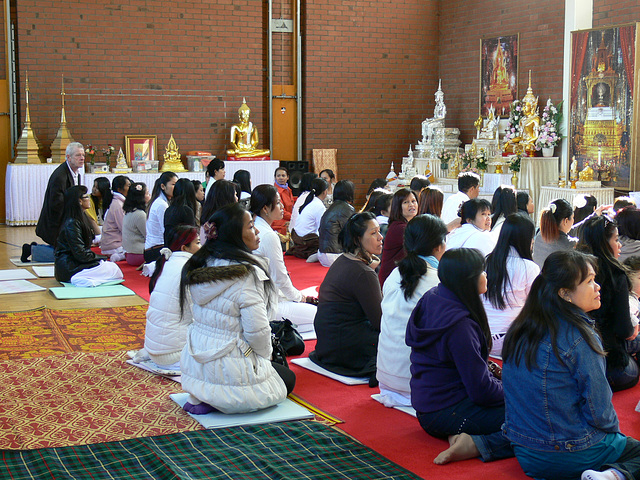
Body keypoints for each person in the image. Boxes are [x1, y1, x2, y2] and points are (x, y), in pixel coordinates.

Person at [437, 251, 640, 480]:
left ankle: (481, 444)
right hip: (569, 452)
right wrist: (615, 438)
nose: (598, 287)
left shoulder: (521, 327)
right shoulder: (580, 336)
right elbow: (599, 411)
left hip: (524, 452)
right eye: (589, 281)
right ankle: (613, 475)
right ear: (565, 294)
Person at [179, 202, 294, 414]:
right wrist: (265, 357)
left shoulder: (200, 264)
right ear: (234, 236)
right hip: (228, 368)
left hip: (195, 365)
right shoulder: (245, 275)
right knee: (288, 378)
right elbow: (258, 334)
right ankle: (217, 399)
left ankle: (206, 396)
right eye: (250, 226)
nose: (257, 230)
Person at [406, 248, 503, 440]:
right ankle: (475, 445)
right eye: (482, 271)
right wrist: (515, 390)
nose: (486, 275)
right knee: (532, 418)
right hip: (446, 411)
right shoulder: (460, 326)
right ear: (468, 279)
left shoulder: (433, 296)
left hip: (429, 406)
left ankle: (466, 438)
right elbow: (481, 392)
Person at [376, 214, 447, 407]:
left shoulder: (394, 274)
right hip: (416, 382)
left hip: (386, 378)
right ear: (438, 246)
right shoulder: (438, 280)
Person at [310, 212, 383, 380]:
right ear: (357, 239)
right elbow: (380, 322)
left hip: (328, 344)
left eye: (379, 231)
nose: (380, 237)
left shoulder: (344, 260)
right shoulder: (363, 273)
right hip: (346, 346)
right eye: (373, 233)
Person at [578, 215, 640, 391]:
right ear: (603, 243)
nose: (619, 244)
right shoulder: (614, 275)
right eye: (616, 239)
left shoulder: (573, 270)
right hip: (604, 356)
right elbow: (624, 330)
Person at [250, 185, 318, 333]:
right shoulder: (267, 236)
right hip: (268, 304)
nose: (282, 206)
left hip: (262, 299)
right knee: (321, 316)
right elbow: (280, 278)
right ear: (265, 209)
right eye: (278, 203)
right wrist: (301, 298)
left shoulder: (257, 228)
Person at [136, 226, 200, 373]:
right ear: (185, 248)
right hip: (173, 355)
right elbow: (198, 315)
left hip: (155, 349)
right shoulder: (187, 269)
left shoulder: (167, 263)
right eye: (197, 243)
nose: (201, 247)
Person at [482, 214, 539, 357]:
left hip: (481, 336)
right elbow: (536, 306)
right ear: (525, 239)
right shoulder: (528, 267)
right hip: (510, 339)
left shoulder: (487, 261)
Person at [54, 186, 123, 287]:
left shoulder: (80, 217)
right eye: (86, 196)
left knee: (113, 269)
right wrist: (101, 258)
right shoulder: (72, 223)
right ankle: (79, 279)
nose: (89, 199)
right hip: (69, 267)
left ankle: (88, 278)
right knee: (112, 269)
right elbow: (80, 253)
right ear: (79, 201)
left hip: (73, 263)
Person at [32, 142, 85, 262]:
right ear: (68, 157)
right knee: (64, 255)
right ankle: (33, 250)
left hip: (64, 220)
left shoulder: (75, 172)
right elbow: (56, 205)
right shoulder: (60, 176)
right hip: (55, 223)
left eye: (83, 155)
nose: (82, 158)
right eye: (78, 155)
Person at [378, 188, 419, 287]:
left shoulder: (408, 224)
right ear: (397, 207)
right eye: (406, 202)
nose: (411, 205)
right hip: (391, 280)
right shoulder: (400, 227)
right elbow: (424, 240)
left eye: (413, 201)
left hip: (400, 277)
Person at [288, 177, 328, 260]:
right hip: (307, 242)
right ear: (325, 192)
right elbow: (322, 229)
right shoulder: (319, 206)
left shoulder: (309, 201)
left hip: (298, 240)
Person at [318, 180, 355, 267]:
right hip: (334, 255)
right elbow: (352, 233)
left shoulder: (332, 207)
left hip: (322, 253)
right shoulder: (347, 209)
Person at [532, 198, 576, 268]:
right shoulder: (569, 244)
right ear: (566, 221)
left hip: (537, 278)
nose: (573, 221)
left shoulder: (540, 235)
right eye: (573, 217)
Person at [145, 172, 178, 263]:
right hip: (155, 250)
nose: (176, 188)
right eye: (173, 184)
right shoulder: (161, 204)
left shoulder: (163, 201)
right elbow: (166, 230)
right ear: (163, 186)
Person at [101, 175, 131, 262]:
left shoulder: (118, 202)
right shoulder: (118, 205)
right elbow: (124, 228)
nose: (130, 188)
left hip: (114, 243)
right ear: (119, 189)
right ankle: (119, 256)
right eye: (128, 185)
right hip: (114, 245)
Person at [199, 179, 238, 244]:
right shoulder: (229, 224)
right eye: (235, 195)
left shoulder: (205, 224)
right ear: (227, 199)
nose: (237, 199)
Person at [122, 182, 150, 267]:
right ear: (141, 197)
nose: (150, 195)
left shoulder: (130, 211)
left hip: (130, 254)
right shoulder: (140, 214)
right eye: (147, 193)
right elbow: (147, 235)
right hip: (139, 255)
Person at [163, 178, 197, 247]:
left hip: (170, 249)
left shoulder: (169, 210)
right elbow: (192, 236)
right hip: (183, 249)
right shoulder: (186, 210)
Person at [272, 167, 294, 236]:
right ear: (275, 177)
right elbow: (281, 211)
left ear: (287, 177)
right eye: (278, 176)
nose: (281, 178)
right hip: (279, 220)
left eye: (283, 176)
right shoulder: (275, 191)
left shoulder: (288, 189)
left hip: (289, 218)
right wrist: (294, 218)